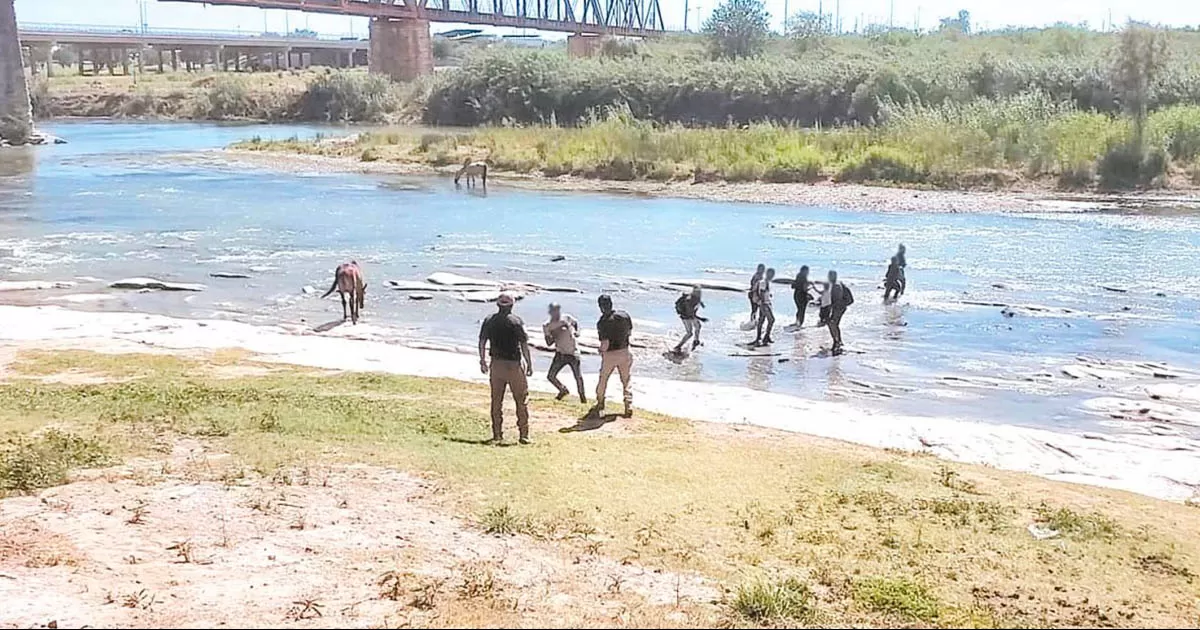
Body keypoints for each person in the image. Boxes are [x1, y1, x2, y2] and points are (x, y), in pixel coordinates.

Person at [478, 293, 534, 444]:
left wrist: (482, 360)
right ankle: (524, 434)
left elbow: (482, 341)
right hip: (513, 365)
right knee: (521, 399)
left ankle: (497, 433)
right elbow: (524, 345)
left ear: (497, 304)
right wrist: (529, 364)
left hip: (496, 364)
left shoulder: (489, 320)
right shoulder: (516, 321)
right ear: (512, 305)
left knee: (496, 400)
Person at [595, 294, 634, 418]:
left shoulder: (602, 322)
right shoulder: (624, 315)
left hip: (610, 354)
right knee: (626, 379)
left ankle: (600, 402)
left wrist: (600, 351)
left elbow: (605, 343)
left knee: (603, 379)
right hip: (625, 351)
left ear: (601, 307)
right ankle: (628, 404)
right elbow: (629, 332)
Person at [543, 302, 586, 403]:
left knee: (578, 377)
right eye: (554, 311)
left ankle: (583, 398)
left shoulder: (567, 318)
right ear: (550, 312)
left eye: (557, 311)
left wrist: (577, 331)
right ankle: (563, 390)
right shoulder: (547, 325)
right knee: (551, 376)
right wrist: (557, 332)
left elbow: (575, 323)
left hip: (573, 353)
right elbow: (548, 343)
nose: (556, 314)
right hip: (560, 354)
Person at [824, 270, 855, 355]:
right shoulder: (837, 283)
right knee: (834, 324)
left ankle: (836, 342)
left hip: (839, 307)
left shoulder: (836, 286)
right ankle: (838, 341)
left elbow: (836, 300)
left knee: (832, 323)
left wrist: (829, 308)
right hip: (840, 306)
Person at [673, 286, 706, 354]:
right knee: (689, 333)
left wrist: (701, 303)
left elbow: (696, 305)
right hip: (686, 317)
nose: (700, 293)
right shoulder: (690, 300)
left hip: (690, 316)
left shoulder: (695, 298)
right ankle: (678, 346)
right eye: (698, 292)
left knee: (698, 326)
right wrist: (701, 319)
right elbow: (690, 313)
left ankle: (696, 341)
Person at [754, 267, 777, 346]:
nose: (772, 276)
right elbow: (762, 293)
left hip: (765, 303)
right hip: (764, 304)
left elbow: (764, 293)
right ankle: (765, 337)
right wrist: (765, 304)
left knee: (761, 320)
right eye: (771, 274)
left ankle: (760, 337)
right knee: (772, 320)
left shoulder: (766, 282)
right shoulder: (763, 282)